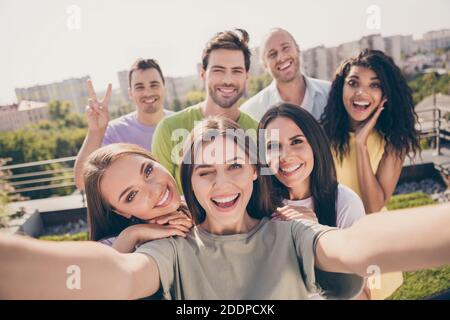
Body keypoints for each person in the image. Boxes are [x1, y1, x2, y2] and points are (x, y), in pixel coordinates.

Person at [1, 117, 449, 300]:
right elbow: (117, 275)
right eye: (203, 172)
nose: (221, 183)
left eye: (234, 165)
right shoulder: (169, 249)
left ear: (255, 171)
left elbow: (353, 246)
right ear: (189, 183)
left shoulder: (291, 230)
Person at [320, 49, 421, 299]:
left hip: (374, 242)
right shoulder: (323, 135)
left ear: (385, 95)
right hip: (334, 240)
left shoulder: (394, 142)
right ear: (340, 89)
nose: (361, 93)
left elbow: (374, 207)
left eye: (373, 85)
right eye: (353, 83)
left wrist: (360, 145)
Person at [259, 103, 368, 299]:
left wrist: (316, 237)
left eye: (296, 141)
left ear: (315, 144)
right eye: (273, 146)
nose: (285, 156)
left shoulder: (345, 202)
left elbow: (364, 293)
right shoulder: (257, 204)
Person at [151, 29, 259, 193]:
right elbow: (157, 193)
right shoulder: (168, 129)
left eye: (236, 71)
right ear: (203, 73)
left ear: (246, 76)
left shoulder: (259, 133)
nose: (227, 80)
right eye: (218, 70)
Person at [74, 59, 173, 190]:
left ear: (164, 88)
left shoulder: (180, 124)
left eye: (154, 85)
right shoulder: (114, 131)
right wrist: (95, 131)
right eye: (139, 87)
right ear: (130, 93)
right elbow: (82, 182)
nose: (148, 93)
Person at [83, 143, 192, 254]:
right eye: (132, 195)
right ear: (120, 211)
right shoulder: (110, 248)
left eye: (148, 171)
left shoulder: (202, 203)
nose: (156, 190)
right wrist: (132, 235)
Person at [241, 28, 330, 121]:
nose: (281, 58)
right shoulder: (251, 113)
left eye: (286, 48)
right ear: (264, 65)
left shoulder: (331, 94)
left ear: (297, 48)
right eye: (272, 54)